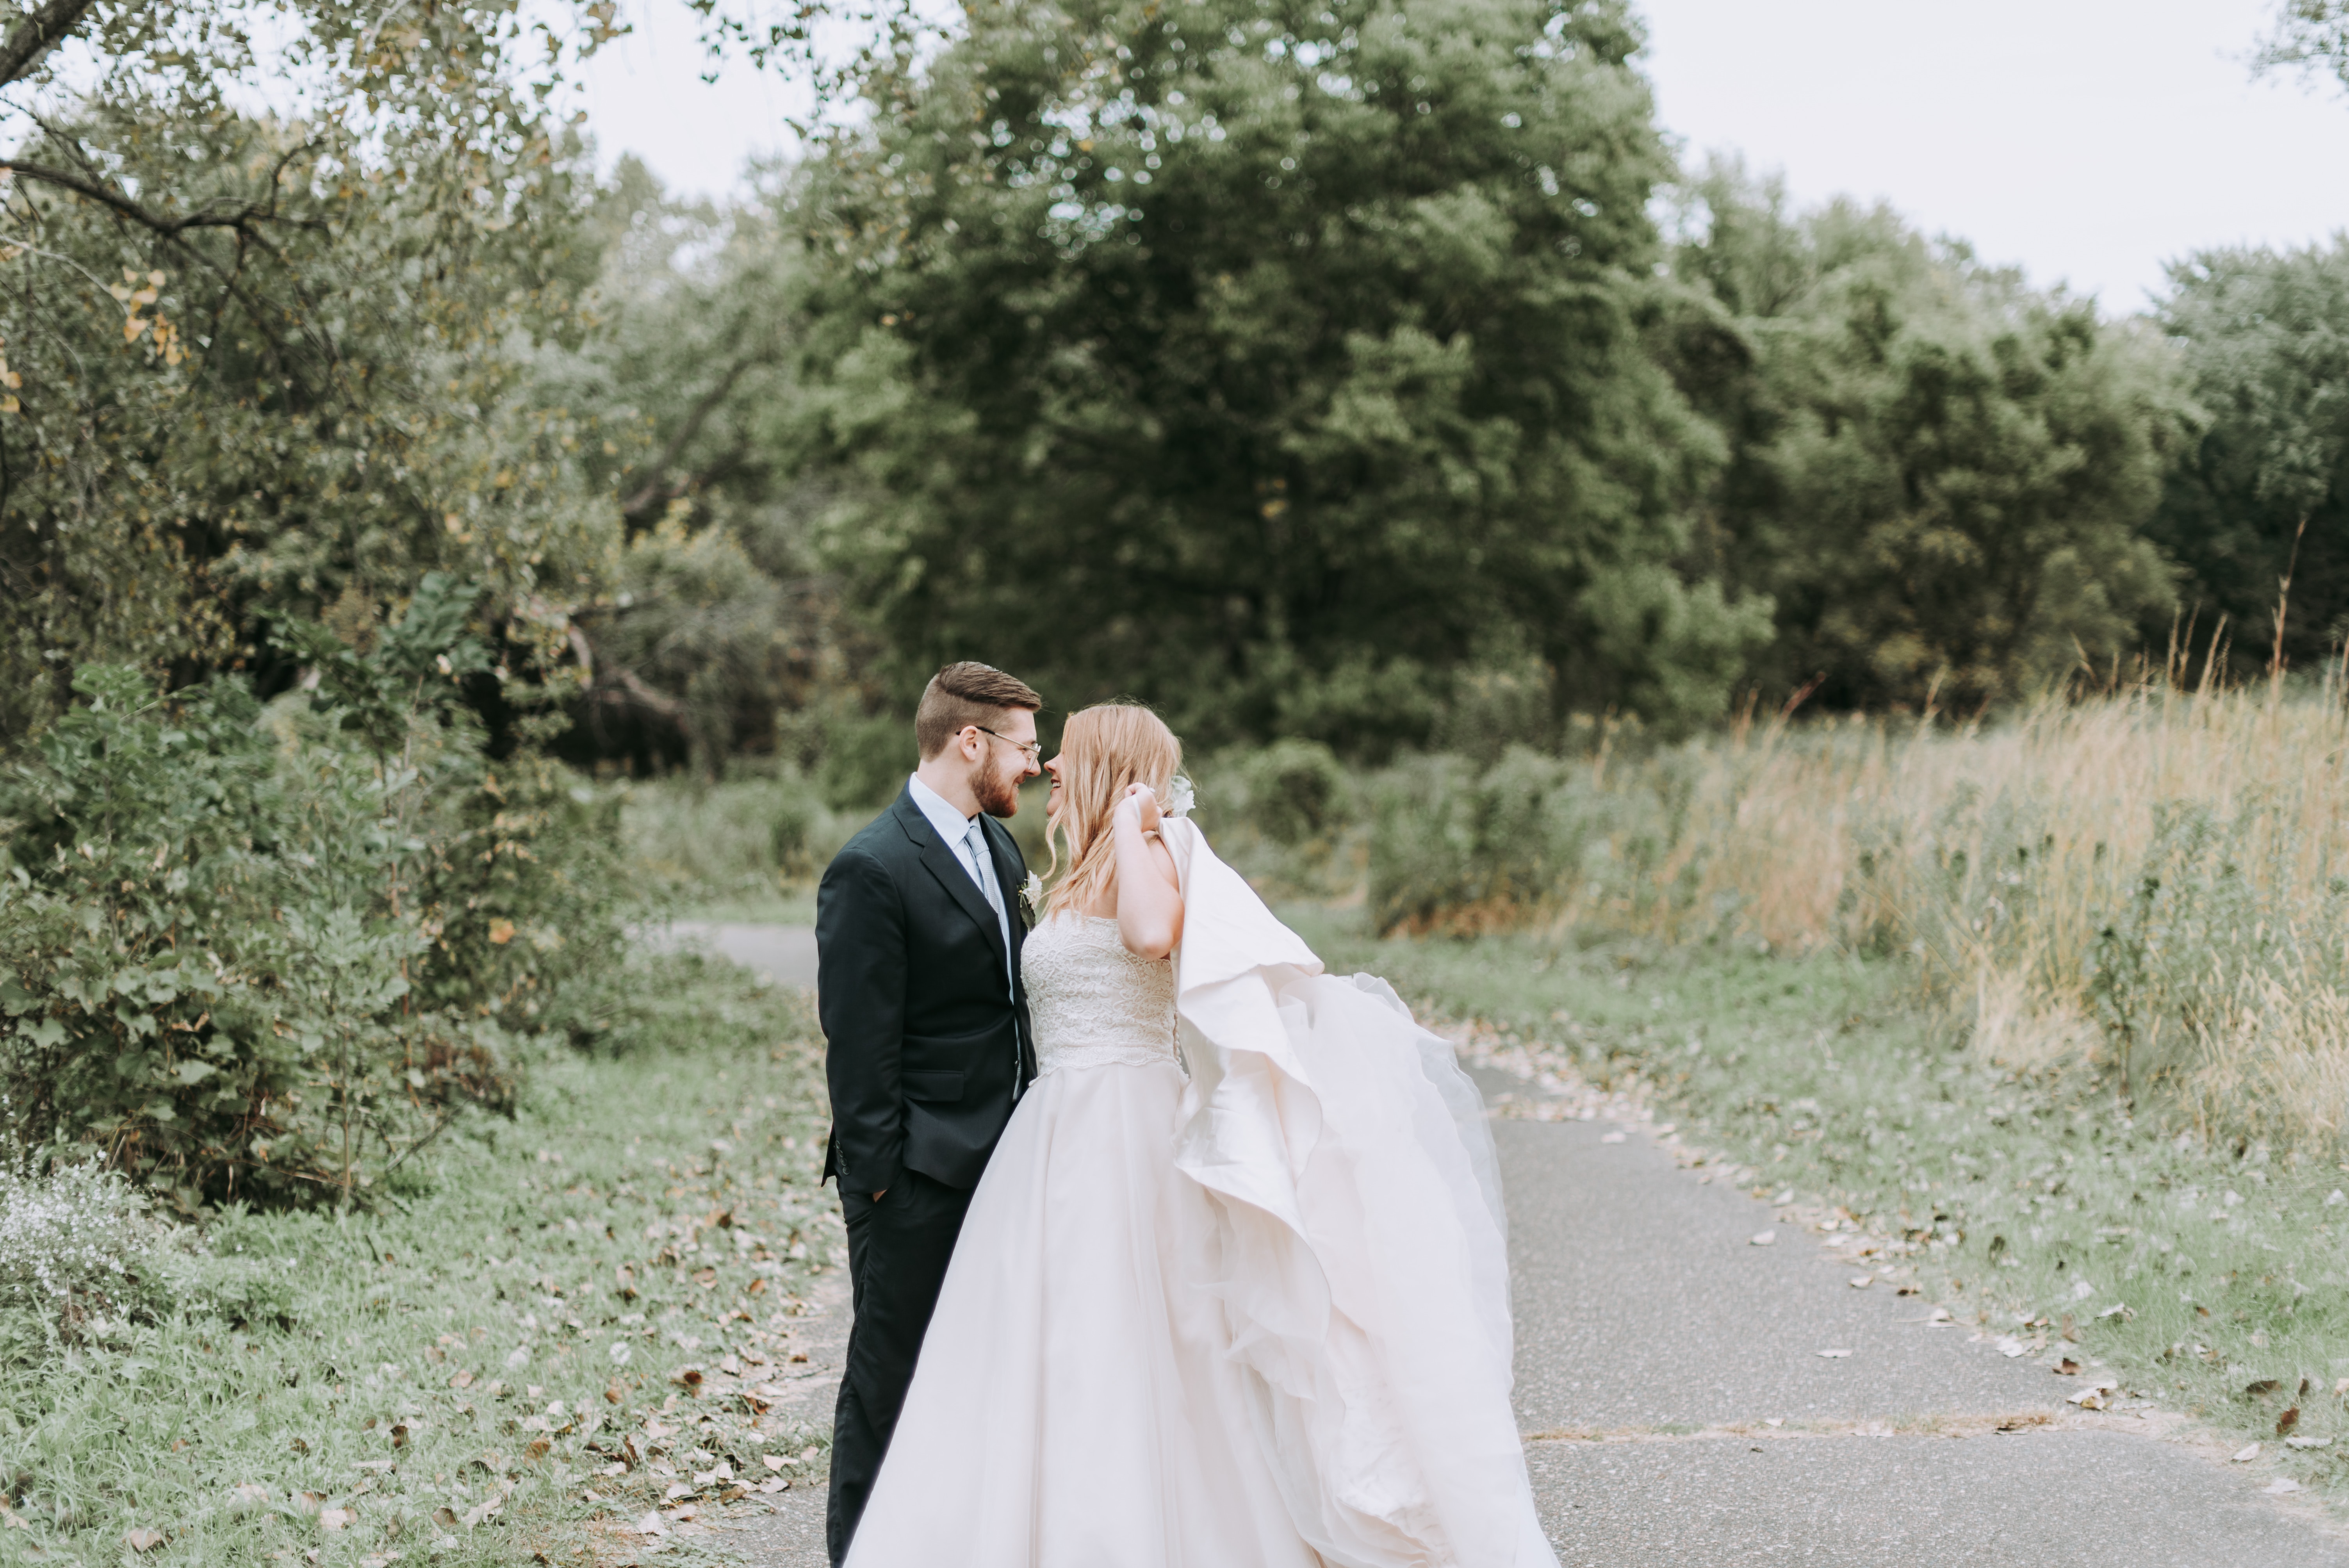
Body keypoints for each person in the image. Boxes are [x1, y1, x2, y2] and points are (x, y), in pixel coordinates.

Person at [844, 702, 1557, 1568]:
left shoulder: (1145, 854)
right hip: (1053, 1132)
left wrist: (1138, 820)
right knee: (1053, 1340)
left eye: (1068, 757)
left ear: (1107, 766)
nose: (1053, 770)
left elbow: (1150, 935)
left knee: (1143, 1336)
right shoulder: (1065, 868)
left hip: (1128, 1126)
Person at [814, 660, 1044, 1566]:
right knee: (887, 1383)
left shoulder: (998, 848)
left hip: (1005, 1164)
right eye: (1024, 746)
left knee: (980, 1378)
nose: (1033, 763)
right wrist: (879, 1184)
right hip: (911, 1178)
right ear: (970, 741)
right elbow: (858, 1046)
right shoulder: (870, 868)